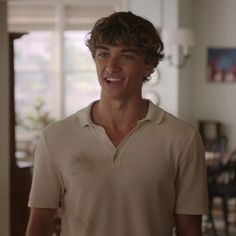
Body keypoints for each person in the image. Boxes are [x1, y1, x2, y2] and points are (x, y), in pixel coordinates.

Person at [26, 11, 208, 236]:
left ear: (149, 65)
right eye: (103, 54)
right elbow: (39, 225)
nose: (111, 66)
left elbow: (190, 229)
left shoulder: (183, 138)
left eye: (126, 56)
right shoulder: (55, 136)